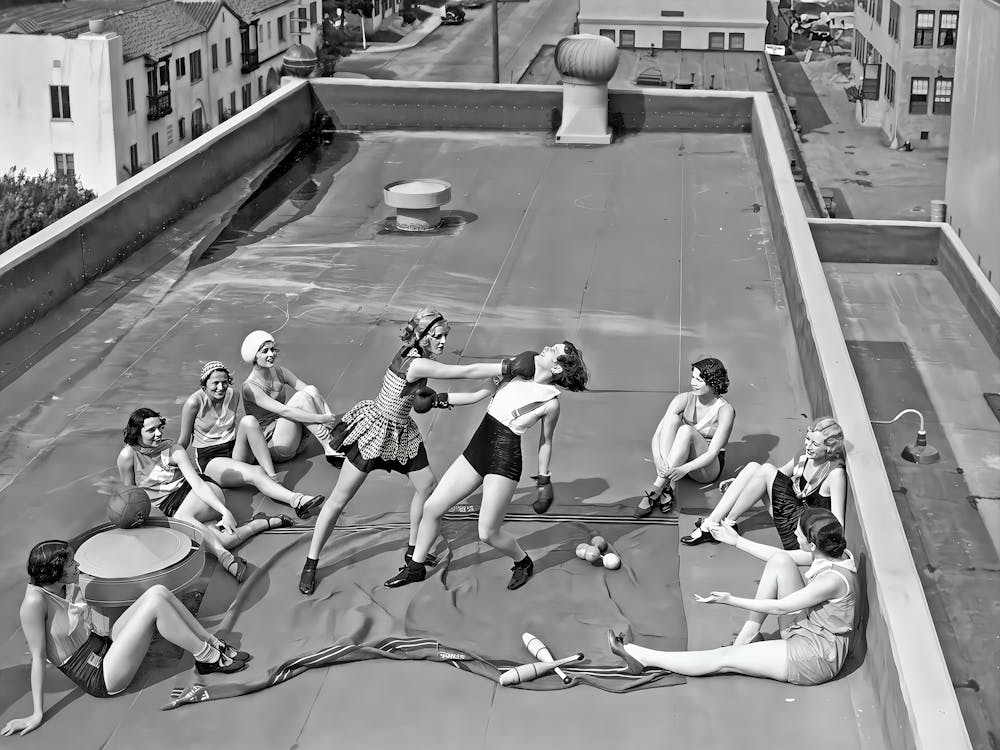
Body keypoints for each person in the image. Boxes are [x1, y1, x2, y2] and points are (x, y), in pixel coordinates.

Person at [298, 308, 537, 595]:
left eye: (445, 336)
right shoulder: (417, 364)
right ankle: (311, 563)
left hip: (401, 430)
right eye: (437, 337)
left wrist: (491, 386)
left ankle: (414, 551)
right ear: (421, 337)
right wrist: (506, 366)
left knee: (427, 486)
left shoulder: (415, 354)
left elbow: (467, 393)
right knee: (339, 499)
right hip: (377, 430)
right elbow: (463, 372)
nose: (443, 342)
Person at [384, 340, 590, 591]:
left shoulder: (551, 402)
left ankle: (523, 561)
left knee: (488, 533)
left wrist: (544, 480)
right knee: (432, 507)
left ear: (557, 369)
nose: (546, 348)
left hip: (504, 461)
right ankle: (415, 568)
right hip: (476, 450)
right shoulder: (514, 372)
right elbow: (476, 395)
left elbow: (545, 442)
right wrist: (439, 399)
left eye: (553, 351)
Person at [1, 541, 248, 737]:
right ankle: (206, 656)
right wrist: (36, 714)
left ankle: (211, 643)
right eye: (70, 563)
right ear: (54, 572)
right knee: (154, 606)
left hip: (105, 646)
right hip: (99, 676)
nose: (77, 565)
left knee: (158, 592)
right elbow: (37, 659)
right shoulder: (34, 603)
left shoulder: (61, 586)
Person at [608, 507, 856, 685]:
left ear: (812, 545)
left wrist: (730, 599)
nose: (795, 532)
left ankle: (642, 657)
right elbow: (778, 556)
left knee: (724, 659)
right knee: (779, 560)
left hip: (814, 657)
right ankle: (746, 639)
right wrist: (736, 541)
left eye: (799, 531)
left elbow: (781, 607)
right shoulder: (831, 553)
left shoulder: (831, 580)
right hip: (811, 629)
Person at [117, 408, 283, 582]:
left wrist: (224, 511)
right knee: (223, 540)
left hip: (201, 495)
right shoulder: (127, 456)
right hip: (170, 508)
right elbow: (130, 493)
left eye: (159, 428)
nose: (158, 434)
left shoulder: (174, 450)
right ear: (137, 433)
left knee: (185, 520)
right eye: (151, 430)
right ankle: (261, 523)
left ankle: (225, 558)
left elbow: (198, 485)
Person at [177, 361, 326, 520]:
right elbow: (184, 441)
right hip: (212, 461)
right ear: (204, 384)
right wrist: (173, 465)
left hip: (233, 451)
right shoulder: (194, 403)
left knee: (249, 421)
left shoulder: (233, 395)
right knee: (256, 472)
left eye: (224, 382)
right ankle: (298, 501)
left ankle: (272, 476)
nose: (220, 387)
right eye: (215, 383)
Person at [680, 417, 846, 549]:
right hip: (790, 511)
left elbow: (838, 524)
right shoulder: (805, 455)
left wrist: (822, 553)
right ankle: (718, 523)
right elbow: (779, 475)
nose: (808, 446)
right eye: (807, 439)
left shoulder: (835, 473)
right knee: (754, 468)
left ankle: (720, 525)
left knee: (765, 469)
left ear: (829, 449)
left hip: (802, 534)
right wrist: (740, 481)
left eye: (815, 444)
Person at [635, 357, 734, 517]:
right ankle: (666, 485)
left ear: (713, 382)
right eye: (692, 377)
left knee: (686, 431)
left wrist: (684, 469)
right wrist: (658, 458)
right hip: (677, 463)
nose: (693, 382)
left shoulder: (725, 410)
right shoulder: (683, 399)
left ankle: (657, 488)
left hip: (705, 468)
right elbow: (658, 434)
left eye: (699, 379)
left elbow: (711, 453)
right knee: (673, 419)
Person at [240, 330, 343, 466]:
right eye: (265, 351)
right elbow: (285, 411)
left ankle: (328, 431)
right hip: (274, 446)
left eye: (273, 349)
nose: (271, 354)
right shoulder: (250, 387)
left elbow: (311, 392)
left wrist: (327, 415)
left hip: (294, 439)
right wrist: (320, 418)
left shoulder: (280, 372)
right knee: (300, 398)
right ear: (254, 356)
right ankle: (329, 445)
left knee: (310, 389)